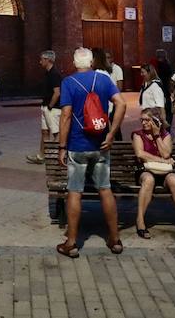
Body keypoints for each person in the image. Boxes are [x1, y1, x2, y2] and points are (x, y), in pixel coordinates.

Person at [57, 46, 127, 258]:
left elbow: (66, 115)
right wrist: (111, 133)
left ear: (74, 63)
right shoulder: (104, 80)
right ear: (92, 62)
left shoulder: (68, 82)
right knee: (105, 189)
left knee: (75, 192)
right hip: (101, 145)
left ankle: (72, 243)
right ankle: (114, 240)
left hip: (78, 146)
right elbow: (121, 104)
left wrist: (62, 146)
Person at [131, 107, 175, 239]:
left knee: (174, 180)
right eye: (142, 120)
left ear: (156, 121)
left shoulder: (165, 135)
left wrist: (157, 135)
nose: (143, 123)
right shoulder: (137, 135)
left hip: (164, 173)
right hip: (145, 170)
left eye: (147, 120)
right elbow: (140, 154)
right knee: (149, 180)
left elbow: (166, 153)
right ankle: (140, 220)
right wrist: (163, 161)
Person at [27, 51, 62, 164]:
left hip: (53, 108)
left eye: (42, 59)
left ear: (49, 60)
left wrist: (50, 106)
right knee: (45, 132)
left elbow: (57, 92)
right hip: (46, 106)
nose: (40, 61)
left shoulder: (54, 74)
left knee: (56, 133)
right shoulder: (47, 73)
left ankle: (55, 157)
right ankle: (41, 156)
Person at [154, 49, 174, 126]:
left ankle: (164, 125)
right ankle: (167, 124)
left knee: (162, 108)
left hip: (161, 88)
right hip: (166, 88)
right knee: (167, 108)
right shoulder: (167, 64)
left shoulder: (158, 65)